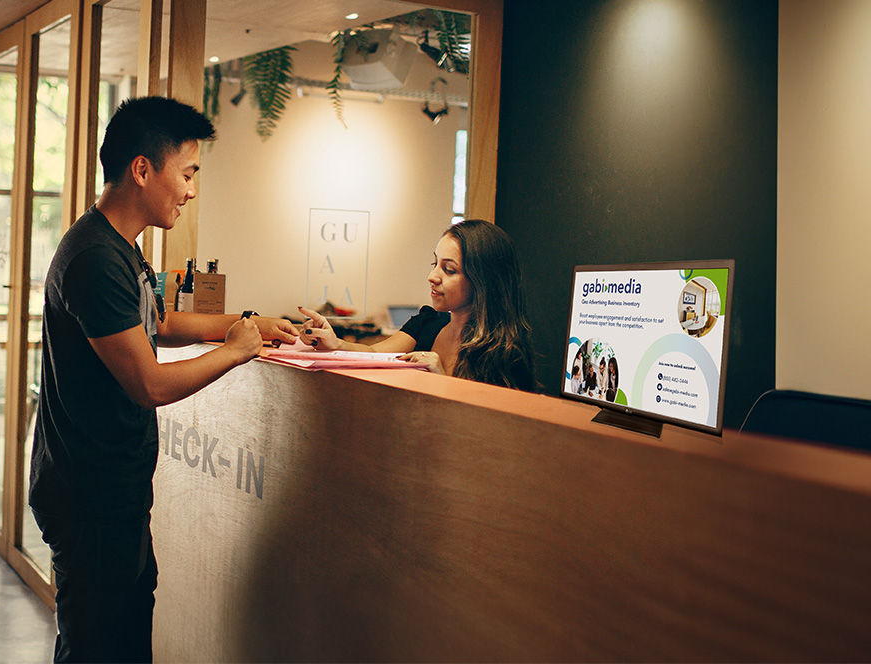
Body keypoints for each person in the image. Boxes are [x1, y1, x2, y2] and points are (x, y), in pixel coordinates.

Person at [28, 96, 297, 663]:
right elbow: (148, 384)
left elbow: (163, 322)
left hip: (112, 493)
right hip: (88, 498)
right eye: (188, 172)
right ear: (142, 169)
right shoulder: (95, 258)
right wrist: (235, 350)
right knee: (99, 648)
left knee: (121, 636)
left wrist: (248, 322)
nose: (192, 190)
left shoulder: (121, 248)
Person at [298, 219, 535, 391]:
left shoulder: (504, 353)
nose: (433, 276)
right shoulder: (428, 323)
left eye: (449, 269)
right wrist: (334, 342)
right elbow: (373, 354)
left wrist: (442, 381)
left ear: (483, 280)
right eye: (434, 264)